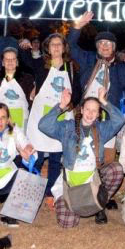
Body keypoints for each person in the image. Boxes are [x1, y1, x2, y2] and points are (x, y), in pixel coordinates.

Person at [38, 88, 125, 227]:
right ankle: (79, 203)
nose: (90, 113)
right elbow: (43, 125)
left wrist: (104, 101)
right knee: (68, 223)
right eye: (87, 109)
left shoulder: (102, 129)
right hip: (70, 182)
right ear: (82, 110)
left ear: (98, 114)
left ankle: (99, 204)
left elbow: (120, 120)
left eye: (94, 110)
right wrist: (61, 106)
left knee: (116, 169)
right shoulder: (67, 127)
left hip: (91, 180)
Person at [22, 31, 80, 206]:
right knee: (37, 156)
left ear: (64, 48)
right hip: (40, 117)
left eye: (59, 44)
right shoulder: (41, 64)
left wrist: (69, 104)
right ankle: (31, 191)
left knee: (56, 157)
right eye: (52, 44)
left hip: (61, 116)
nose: (56, 47)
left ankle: (50, 192)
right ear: (47, 48)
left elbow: (77, 92)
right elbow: (25, 60)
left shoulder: (71, 67)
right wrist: (25, 46)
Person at [67, 13, 125, 121]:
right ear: (97, 47)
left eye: (108, 43)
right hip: (84, 112)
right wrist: (77, 28)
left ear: (114, 48)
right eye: (101, 43)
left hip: (108, 117)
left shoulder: (122, 68)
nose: (104, 46)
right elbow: (70, 47)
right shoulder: (88, 59)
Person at [0, 48, 35, 135]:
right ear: (3, 63)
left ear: (17, 62)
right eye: (7, 59)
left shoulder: (27, 78)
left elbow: (32, 98)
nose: (10, 61)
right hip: (0, 119)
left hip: (21, 118)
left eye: (13, 59)